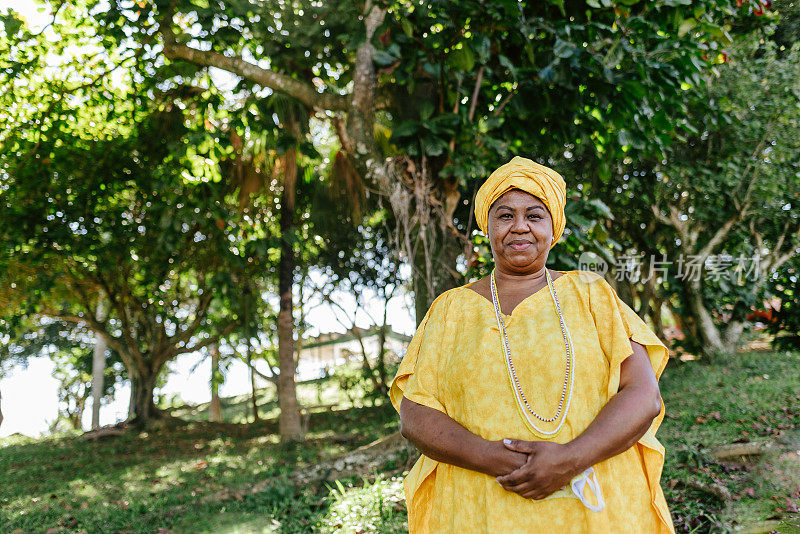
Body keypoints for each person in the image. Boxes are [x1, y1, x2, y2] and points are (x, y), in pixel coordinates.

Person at [389, 156, 674, 533]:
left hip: (594, 512)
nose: (519, 227)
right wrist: (491, 458)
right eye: (505, 215)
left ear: (553, 229)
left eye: (534, 216)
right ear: (486, 227)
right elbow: (415, 414)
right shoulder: (450, 310)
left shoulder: (592, 295)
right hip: (479, 512)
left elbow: (643, 395)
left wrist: (570, 459)